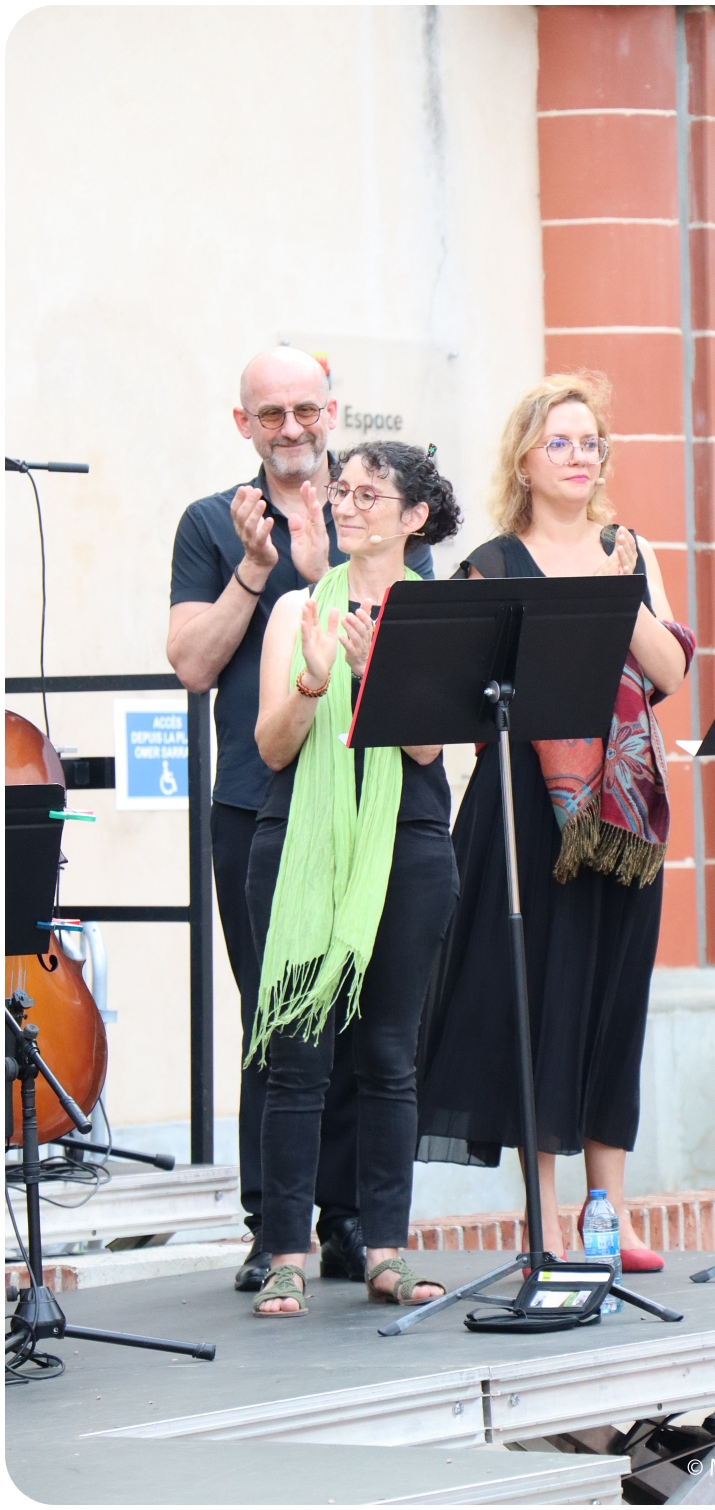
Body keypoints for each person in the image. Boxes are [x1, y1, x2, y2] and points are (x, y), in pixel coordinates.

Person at [167, 347, 434, 1292]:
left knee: (374, 1026)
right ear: (245, 425)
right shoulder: (213, 522)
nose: (291, 428)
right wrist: (257, 574)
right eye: (270, 414)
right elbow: (193, 664)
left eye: (305, 410)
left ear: (331, 411)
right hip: (261, 803)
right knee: (278, 1019)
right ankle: (270, 1228)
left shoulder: (386, 519)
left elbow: (428, 708)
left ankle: (354, 1222)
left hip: (383, 814)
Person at [416, 372, 695, 1271]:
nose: (582, 457)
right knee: (537, 997)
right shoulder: (491, 567)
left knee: (614, 998)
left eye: (592, 443)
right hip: (520, 813)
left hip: (620, 812)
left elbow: (669, 671)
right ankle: (545, 1220)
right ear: (526, 462)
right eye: (562, 443)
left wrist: (624, 597)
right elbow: (455, 698)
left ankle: (610, 1212)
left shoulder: (628, 550)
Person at [245, 440, 461, 1315]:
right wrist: (316, 675)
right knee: (297, 1059)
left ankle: (385, 1250)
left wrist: (376, 675)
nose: (349, 504)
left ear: (413, 517)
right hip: (296, 839)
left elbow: (427, 747)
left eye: (371, 494)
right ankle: (286, 1251)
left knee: (388, 1057)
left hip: (407, 842)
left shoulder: (435, 613)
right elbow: (271, 746)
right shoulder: (298, 605)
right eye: (344, 490)